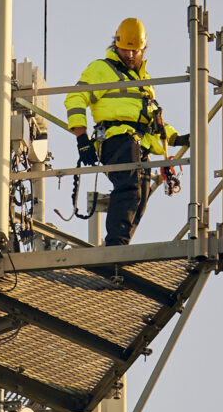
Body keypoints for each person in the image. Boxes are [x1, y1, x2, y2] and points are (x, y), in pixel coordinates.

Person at [64, 17, 188, 246]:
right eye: (126, 50)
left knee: (141, 197)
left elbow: (152, 117)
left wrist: (174, 137)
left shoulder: (143, 80)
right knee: (129, 187)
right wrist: (81, 138)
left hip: (139, 143)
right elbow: (75, 98)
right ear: (115, 45)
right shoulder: (101, 68)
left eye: (135, 51)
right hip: (117, 138)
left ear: (143, 50)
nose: (130, 55)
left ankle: (120, 247)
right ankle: (116, 247)